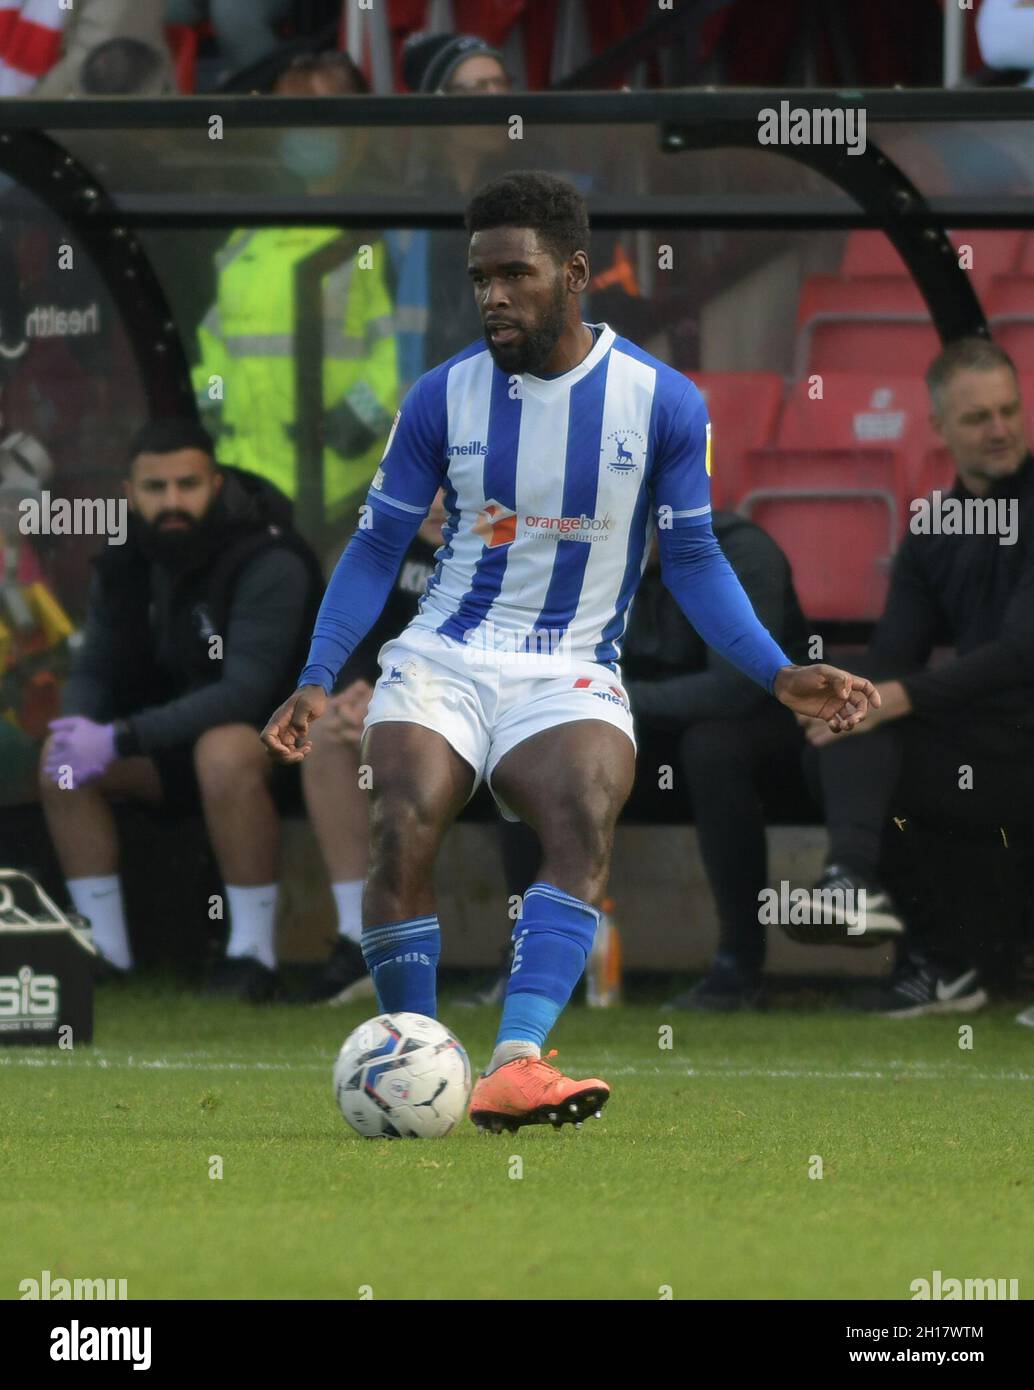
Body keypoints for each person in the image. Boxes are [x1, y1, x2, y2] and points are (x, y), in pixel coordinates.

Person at [261, 171, 877, 1133]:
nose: (494, 296)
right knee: (405, 817)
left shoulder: (662, 403)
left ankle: (515, 1063)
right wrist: (312, 675)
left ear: (576, 272)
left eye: (517, 273)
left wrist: (779, 670)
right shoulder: (440, 398)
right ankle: (411, 1056)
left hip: (573, 663)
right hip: (446, 654)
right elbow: (379, 545)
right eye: (480, 278)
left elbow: (698, 555)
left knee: (584, 817)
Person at [39, 420, 323, 998]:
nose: (172, 501)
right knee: (59, 759)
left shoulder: (268, 556)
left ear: (216, 484)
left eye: (187, 485)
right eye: (156, 487)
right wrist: (79, 729)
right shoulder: (125, 557)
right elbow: (95, 667)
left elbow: (246, 694)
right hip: (165, 747)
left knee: (222, 748)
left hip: (283, 755)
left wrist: (119, 739)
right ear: (129, 492)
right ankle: (103, 957)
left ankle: (251, 956)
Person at [795, 337, 1034, 1017]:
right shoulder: (935, 529)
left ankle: (895, 919)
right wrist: (847, 695)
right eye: (977, 417)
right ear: (940, 429)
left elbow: (1022, 652)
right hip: (985, 746)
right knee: (840, 733)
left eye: (1009, 410)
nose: (1000, 429)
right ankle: (917, 943)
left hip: (1025, 740)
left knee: (871, 719)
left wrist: (895, 696)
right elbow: (894, 656)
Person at [192, 52, 398, 533]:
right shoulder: (247, 236)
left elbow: (405, 347)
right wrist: (209, 407)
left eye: (317, 114)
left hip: (345, 491)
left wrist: (358, 422)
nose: (301, 131)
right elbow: (216, 339)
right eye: (290, 115)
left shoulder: (385, 230)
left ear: (360, 132)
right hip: (244, 484)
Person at [297, 489, 447, 1004]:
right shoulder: (388, 542)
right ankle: (357, 937)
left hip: (492, 717)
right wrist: (356, 696)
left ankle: (521, 954)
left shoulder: (515, 548)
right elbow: (364, 640)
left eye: (455, 480)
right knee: (323, 733)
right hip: (403, 714)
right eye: (428, 482)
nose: (437, 502)